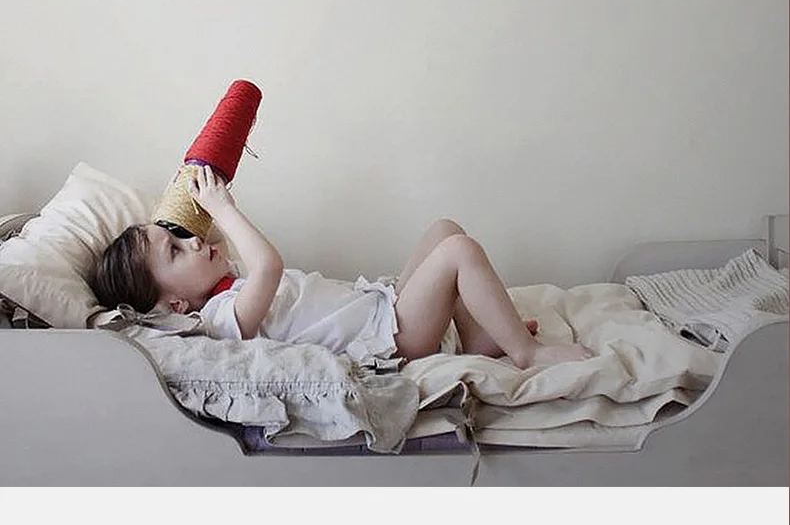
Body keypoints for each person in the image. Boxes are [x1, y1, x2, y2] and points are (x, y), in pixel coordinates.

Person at [93, 167, 591, 369]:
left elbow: (234, 253)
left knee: (444, 229)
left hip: (383, 305)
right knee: (459, 251)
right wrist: (223, 209)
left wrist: (199, 211)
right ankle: (528, 354)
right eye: (175, 251)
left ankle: (479, 337)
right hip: (394, 336)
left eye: (181, 235)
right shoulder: (221, 318)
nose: (193, 241)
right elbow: (269, 265)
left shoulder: (228, 283)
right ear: (176, 306)